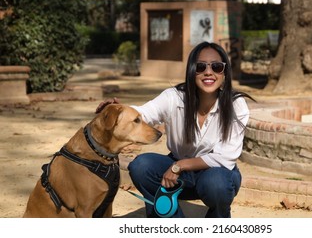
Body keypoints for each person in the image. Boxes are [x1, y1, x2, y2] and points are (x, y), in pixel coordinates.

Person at [96, 41, 254, 218]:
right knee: (141, 166)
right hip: (179, 175)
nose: (208, 72)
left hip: (216, 175)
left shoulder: (236, 105)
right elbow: (146, 112)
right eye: (201, 67)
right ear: (192, 70)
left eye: (217, 67)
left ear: (224, 72)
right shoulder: (174, 97)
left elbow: (224, 157)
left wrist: (179, 166)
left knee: (217, 183)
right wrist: (119, 109)